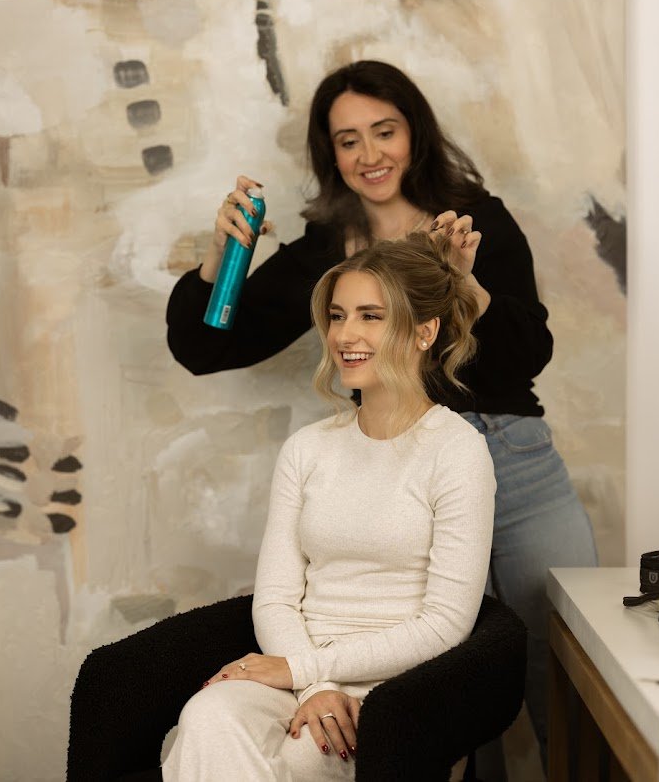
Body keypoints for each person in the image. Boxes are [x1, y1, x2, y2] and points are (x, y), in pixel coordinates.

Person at [166, 59, 598, 765]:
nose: (369, 155)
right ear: (329, 154)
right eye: (347, 140)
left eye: (384, 131)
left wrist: (467, 286)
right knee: (458, 689)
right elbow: (206, 346)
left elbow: (526, 354)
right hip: (395, 473)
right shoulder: (327, 248)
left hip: (507, 460)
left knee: (557, 664)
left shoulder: (474, 219)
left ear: (414, 133)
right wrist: (221, 260)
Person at [162, 233, 496, 780]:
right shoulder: (308, 449)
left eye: (370, 316)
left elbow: (444, 625)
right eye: (338, 316)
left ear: (424, 331)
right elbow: (274, 599)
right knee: (207, 716)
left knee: (303, 757)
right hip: (297, 674)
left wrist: (308, 671)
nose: (345, 334)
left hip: (396, 687)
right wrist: (313, 684)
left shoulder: (458, 451)